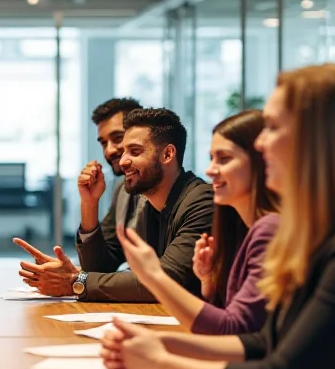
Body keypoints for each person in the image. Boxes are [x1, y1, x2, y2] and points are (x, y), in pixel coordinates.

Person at [103, 64, 335, 369]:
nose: (262, 144)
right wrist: (161, 343)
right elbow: (265, 342)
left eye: (274, 128)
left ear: (320, 141)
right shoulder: (321, 232)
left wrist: (159, 364)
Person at [16, 108, 214, 302]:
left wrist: (75, 281)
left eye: (134, 151)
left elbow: (165, 279)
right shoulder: (145, 201)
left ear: (168, 154)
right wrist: (89, 203)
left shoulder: (202, 202)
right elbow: (100, 267)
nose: (123, 159)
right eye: (124, 150)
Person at [110, 110, 279, 334]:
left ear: (262, 161)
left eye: (224, 159)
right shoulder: (239, 223)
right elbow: (233, 317)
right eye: (212, 159)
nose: (210, 170)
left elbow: (237, 330)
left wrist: (155, 277)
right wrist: (209, 285)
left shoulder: (267, 229)